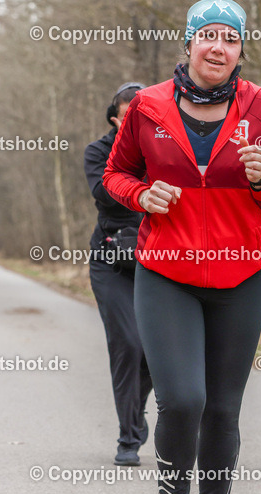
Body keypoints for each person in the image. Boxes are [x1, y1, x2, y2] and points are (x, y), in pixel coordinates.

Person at [103, 0, 261, 494]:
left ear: (241, 48)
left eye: (230, 39)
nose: (219, 48)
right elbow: (117, 173)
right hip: (167, 274)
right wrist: (141, 196)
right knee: (184, 400)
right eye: (208, 37)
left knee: (223, 410)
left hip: (240, 276)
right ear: (189, 44)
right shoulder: (148, 106)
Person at [86, 82, 153, 466]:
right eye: (130, 116)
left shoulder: (163, 146)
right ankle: (128, 439)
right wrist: (140, 175)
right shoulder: (99, 151)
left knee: (155, 351)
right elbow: (103, 191)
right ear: (117, 119)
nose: (137, 122)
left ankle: (136, 412)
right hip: (111, 259)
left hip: (155, 256)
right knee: (127, 342)